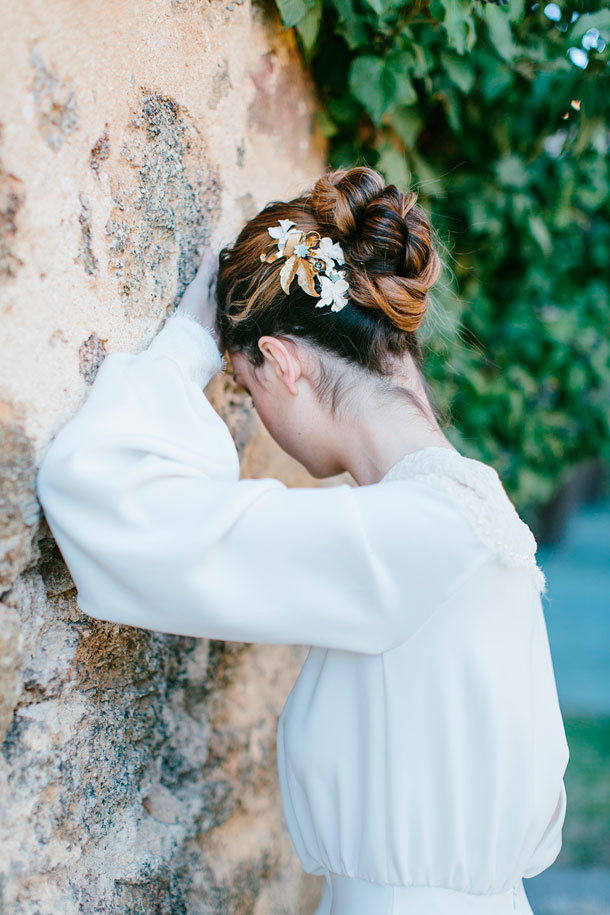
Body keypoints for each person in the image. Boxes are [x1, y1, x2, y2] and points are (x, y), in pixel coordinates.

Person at [36, 166, 569, 914]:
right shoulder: (466, 510)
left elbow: (109, 496)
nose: (257, 416)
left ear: (283, 363)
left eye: (246, 387)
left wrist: (185, 349)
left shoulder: (410, 536)